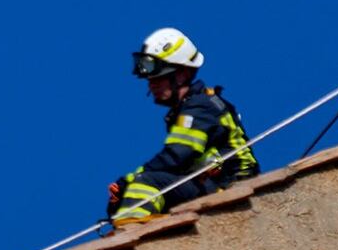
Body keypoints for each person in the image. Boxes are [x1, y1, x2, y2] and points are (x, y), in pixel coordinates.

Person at [107, 27, 260, 225]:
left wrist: (128, 180)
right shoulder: (188, 109)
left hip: (231, 190)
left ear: (182, 73)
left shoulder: (200, 106)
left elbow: (176, 157)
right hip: (212, 188)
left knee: (145, 182)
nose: (152, 84)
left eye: (159, 77)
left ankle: (134, 232)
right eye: (150, 79)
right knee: (135, 195)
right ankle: (131, 228)